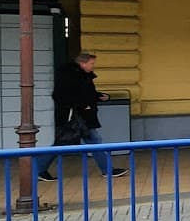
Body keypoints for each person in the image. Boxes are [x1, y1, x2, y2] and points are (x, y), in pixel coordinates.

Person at [35, 52, 126, 182]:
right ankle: (107, 170)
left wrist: (99, 96)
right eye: (91, 64)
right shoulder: (71, 77)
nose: (93, 67)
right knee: (91, 141)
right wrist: (82, 105)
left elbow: (86, 93)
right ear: (82, 63)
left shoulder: (81, 76)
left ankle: (39, 169)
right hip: (74, 116)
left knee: (68, 143)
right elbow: (64, 95)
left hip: (80, 115)